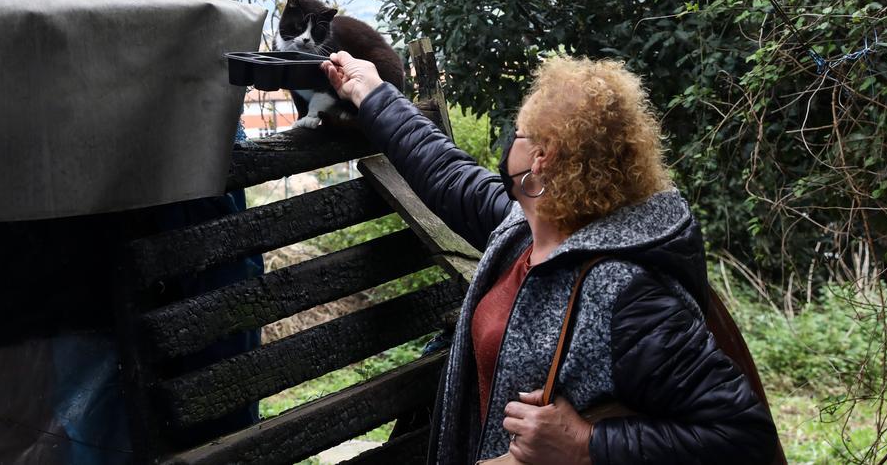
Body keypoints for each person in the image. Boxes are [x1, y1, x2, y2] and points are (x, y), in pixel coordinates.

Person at [321, 52, 779, 465]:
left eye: (517, 133)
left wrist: (586, 445)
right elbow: (445, 171)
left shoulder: (624, 291)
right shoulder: (524, 230)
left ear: (540, 159)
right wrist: (371, 90)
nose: (508, 143)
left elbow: (742, 433)